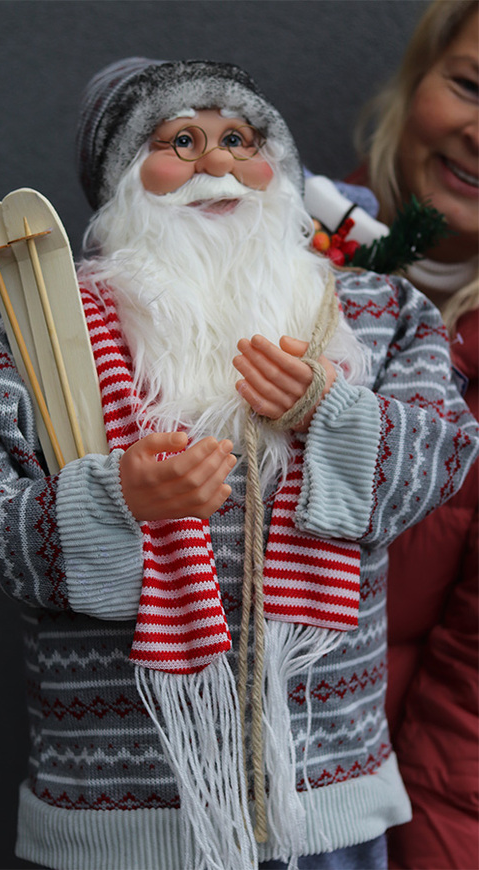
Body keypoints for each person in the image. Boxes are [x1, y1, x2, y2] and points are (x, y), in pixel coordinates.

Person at [0, 58, 479, 870]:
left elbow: (442, 456)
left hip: (323, 797)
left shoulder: (373, 312)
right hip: (115, 815)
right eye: (181, 141)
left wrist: (328, 415)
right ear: (124, 177)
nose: (219, 164)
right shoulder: (49, 334)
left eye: (240, 138)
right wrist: (112, 501)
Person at [345, 2, 479, 866]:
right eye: (469, 85)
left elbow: (468, 717)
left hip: (367, 828)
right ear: (416, 80)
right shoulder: (277, 243)